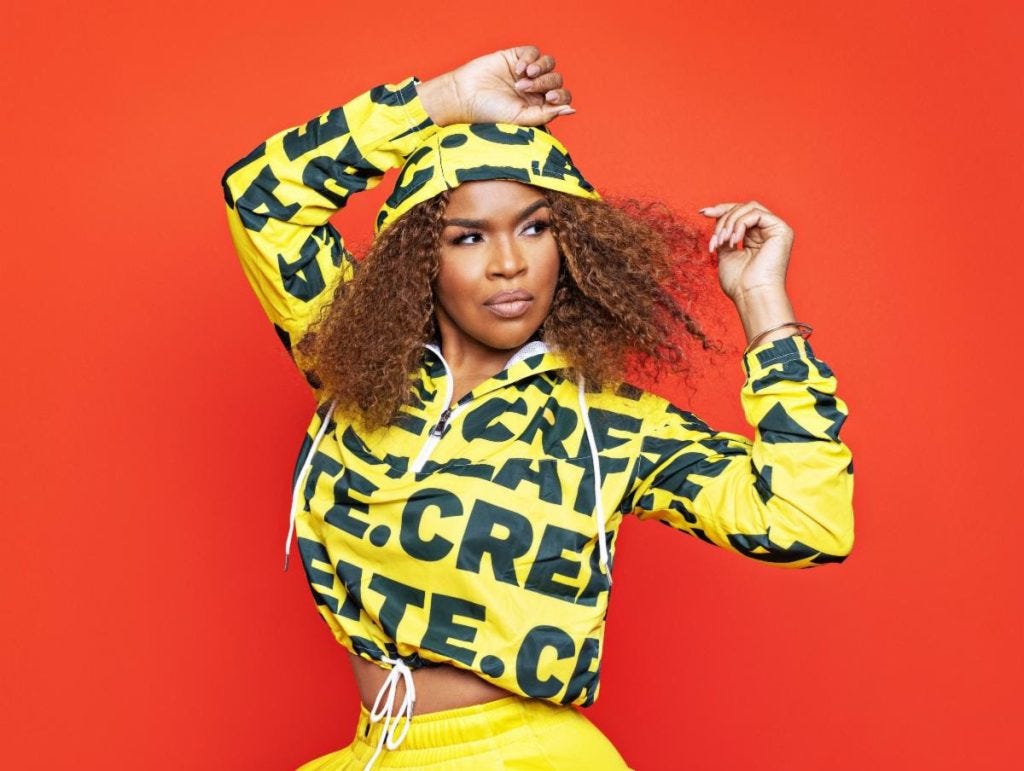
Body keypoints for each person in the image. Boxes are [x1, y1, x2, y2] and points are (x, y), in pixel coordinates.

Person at [222, 45, 854, 771]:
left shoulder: (609, 425)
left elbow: (807, 519)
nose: (509, 264)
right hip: (376, 752)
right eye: (468, 237)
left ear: (575, 245)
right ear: (420, 260)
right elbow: (262, 197)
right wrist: (446, 98)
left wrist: (763, 305)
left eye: (536, 227)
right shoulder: (356, 362)